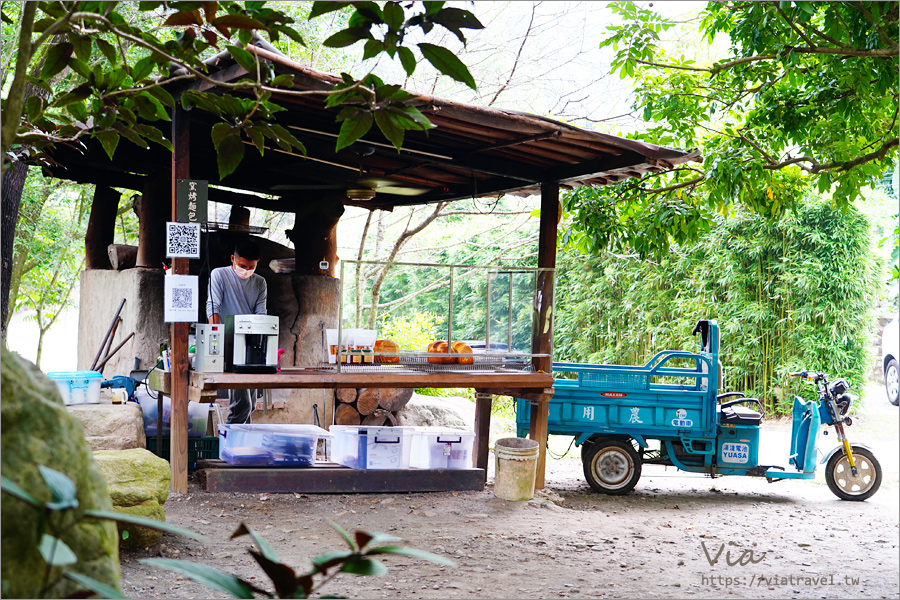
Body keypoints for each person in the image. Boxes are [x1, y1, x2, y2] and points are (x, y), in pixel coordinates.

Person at [206, 240, 267, 424]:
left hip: (251, 347)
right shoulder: (219, 275)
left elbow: (261, 315)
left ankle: (241, 446)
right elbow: (213, 307)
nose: (246, 270)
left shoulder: (260, 283)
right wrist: (217, 340)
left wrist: (263, 346)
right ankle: (229, 445)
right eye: (241, 265)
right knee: (242, 404)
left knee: (252, 404)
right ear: (233, 259)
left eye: (251, 267)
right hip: (228, 344)